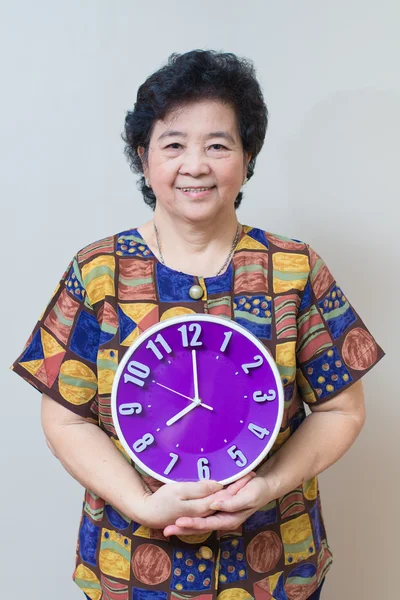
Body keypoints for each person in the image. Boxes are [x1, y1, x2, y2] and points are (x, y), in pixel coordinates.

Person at [11, 49, 384, 600]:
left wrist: (268, 486)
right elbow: (66, 421)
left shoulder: (294, 267)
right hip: (135, 570)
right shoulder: (98, 272)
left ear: (247, 156)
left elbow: (341, 409)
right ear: (143, 157)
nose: (196, 164)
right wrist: (142, 504)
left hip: (273, 568)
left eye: (218, 145)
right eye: (174, 144)